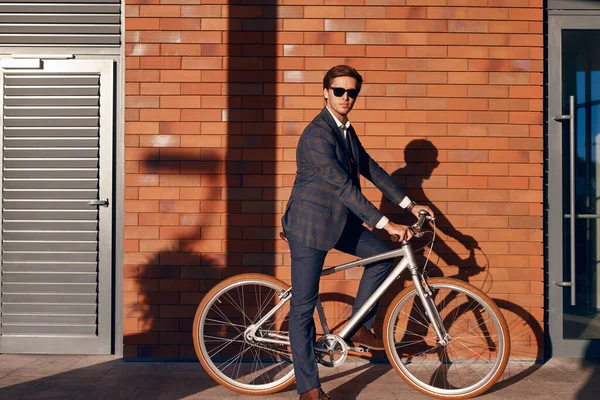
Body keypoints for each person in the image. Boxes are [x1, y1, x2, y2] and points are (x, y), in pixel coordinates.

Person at [281, 65, 434, 400]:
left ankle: (359, 329)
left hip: (338, 222)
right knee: (304, 306)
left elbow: (371, 169)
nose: (346, 97)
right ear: (326, 92)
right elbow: (343, 188)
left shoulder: (346, 130)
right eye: (339, 91)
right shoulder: (318, 135)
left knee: (381, 258)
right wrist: (386, 223)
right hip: (309, 226)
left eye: (352, 92)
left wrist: (410, 205)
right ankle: (308, 388)